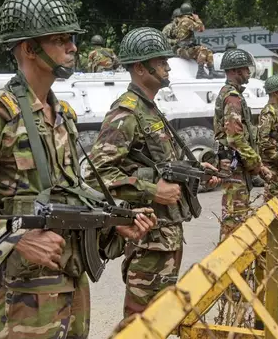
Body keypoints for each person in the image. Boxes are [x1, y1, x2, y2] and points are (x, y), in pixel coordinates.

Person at [0, 0, 156, 339]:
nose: (73, 48)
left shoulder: (63, 114)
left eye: (72, 39)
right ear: (29, 48)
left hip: (72, 278)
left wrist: (115, 218)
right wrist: (13, 237)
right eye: (61, 40)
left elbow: (71, 190)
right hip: (27, 292)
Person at [83, 27, 220, 318]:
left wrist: (195, 170)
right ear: (139, 68)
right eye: (160, 61)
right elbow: (97, 173)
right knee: (140, 319)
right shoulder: (126, 112)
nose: (167, 66)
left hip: (167, 232)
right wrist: (152, 190)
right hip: (148, 235)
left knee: (160, 315)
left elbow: (161, 162)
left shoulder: (150, 109)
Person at [214, 48, 272, 241]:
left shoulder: (232, 94)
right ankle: (224, 267)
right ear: (236, 70)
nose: (248, 73)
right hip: (236, 168)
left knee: (236, 220)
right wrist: (257, 164)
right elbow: (235, 138)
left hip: (237, 166)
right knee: (234, 225)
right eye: (246, 69)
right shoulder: (232, 97)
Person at [174, 2, 217, 79]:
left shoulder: (183, 20)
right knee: (203, 49)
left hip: (185, 49)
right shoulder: (187, 21)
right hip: (183, 50)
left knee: (209, 51)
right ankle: (200, 73)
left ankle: (212, 71)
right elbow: (201, 28)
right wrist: (197, 18)